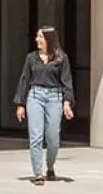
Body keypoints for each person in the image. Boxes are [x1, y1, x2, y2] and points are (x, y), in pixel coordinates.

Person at [13, 25, 75, 183]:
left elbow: (67, 81)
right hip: (35, 96)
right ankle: (37, 173)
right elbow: (24, 80)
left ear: (49, 39)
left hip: (55, 97)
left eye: (40, 37)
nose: (37, 40)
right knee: (36, 136)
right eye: (37, 36)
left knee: (53, 136)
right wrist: (20, 104)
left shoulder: (61, 58)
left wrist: (67, 103)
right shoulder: (31, 58)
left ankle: (50, 166)